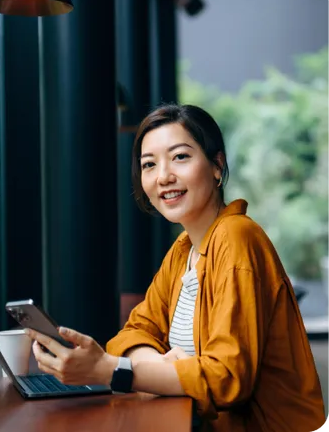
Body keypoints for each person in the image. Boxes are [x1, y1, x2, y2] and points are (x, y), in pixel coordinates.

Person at [25, 104, 325, 432]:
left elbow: (226, 379)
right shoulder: (183, 251)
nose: (164, 176)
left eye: (180, 157)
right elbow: (134, 331)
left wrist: (113, 370)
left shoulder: (237, 237)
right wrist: (159, 366)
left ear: (216, 165)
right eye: (149, 164)